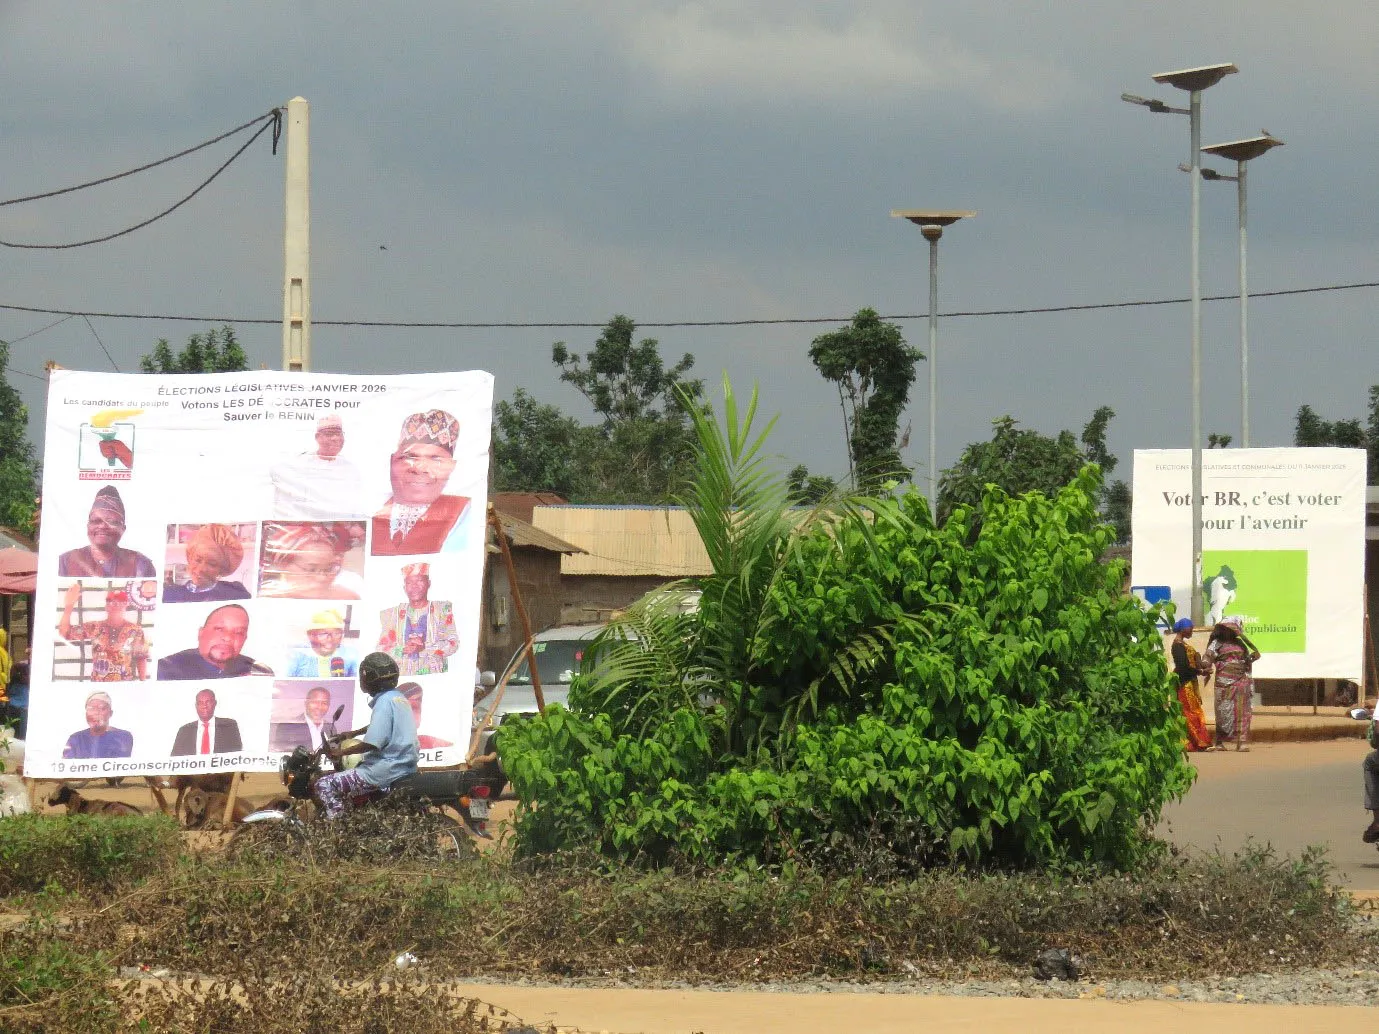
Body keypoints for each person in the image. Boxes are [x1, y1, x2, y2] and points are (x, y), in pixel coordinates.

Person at [312, 652, 419, 819]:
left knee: (324, 784)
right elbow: (383, 726)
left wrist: (340, 753)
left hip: (384, 769)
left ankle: (338, 830)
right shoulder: (398, 698)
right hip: (404, 766)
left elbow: (373, 743)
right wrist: (352, 734)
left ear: (370, 679)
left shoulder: (384, 702)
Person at [371, 410, 471, 556]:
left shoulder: (465, 512)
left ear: (451, 466)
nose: (419, 468)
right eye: (409, 457)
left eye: (435, 459)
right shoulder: (368, 509)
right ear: (392, 461)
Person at [269, 416, 366, 520]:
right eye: (329, 434)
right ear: (317, 437)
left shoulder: (350, 469)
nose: (335, 439)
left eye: (339, 434)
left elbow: (354, 506)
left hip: (340, 527)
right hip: (307, 525)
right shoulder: (300, 464)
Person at [377, 563, 457, 676]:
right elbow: (381, 649)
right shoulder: (392, 614)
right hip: (402, 677)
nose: (414, 586)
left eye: (419, 581)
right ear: (404, 588)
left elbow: (453, 644)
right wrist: (403, 649)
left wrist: (424, 648)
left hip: (434, 677)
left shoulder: (441, 610)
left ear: (429, 583)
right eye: (409, 582)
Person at [57, 486, 156, 578]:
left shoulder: (140, 564)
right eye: (96, 521)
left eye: (112, 522)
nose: (103, 526)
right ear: (88, 526)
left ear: (123, 528)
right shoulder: (66, 561)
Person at [58, 583, 149, 682]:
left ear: (126, 605)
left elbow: (142, 657)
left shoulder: (135, 630)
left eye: (120, 601)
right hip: (98, 684)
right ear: (106, 606)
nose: (115, 604)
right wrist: (69, 606)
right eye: (110, 601)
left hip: (125, 686)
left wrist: (143, 683)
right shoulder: (94, 627)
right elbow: (64, 633)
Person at [157, 604, 273, 680]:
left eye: (238, 632)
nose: (228, 638)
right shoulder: (165, 670)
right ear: (201, 633)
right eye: (219, 629)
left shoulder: (258, 672)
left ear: (244, 639)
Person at [258, 522, 362, 600]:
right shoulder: (266, 599)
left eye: (329, 568)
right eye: (311, 569)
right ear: (283, 566)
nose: (322, 578)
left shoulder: (348, 597)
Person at [1204, 615, 1261, 752]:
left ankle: (1241, 742)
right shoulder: (1216, 643)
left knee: (1243, 711)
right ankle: (1219, 741)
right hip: (1223, 682)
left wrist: (1252, 658)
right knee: (1223, 711)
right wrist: (1206, 665)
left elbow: (1246, 660)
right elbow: (1207, 657)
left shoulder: (1241, 644)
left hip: (1241, 681)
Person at [163, 523, 252, 603]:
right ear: (190, 558)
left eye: (212, 564)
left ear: (222, 569)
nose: (201, 569)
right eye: (197, 560)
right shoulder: (168, 594)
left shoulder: (235, 595)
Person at [1169, 618, 1214, 752]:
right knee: (1192, 713)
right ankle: (1200, 742)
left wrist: (1200, 668)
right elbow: (1183, 667)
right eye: (1190, 629)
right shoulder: (1177, 645)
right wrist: (1199, 671)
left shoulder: (1182, 644)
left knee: (1191, 712)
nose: (1192, 631)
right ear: (1183, 629)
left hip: (1189, 683)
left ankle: (1192, 743)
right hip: (1185, 684)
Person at [286, 609, 360, 678]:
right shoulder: (296, 654)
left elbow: (357, 684)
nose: (330, 639)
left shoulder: (351, 654)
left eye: (336, 633)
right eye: (323, 634)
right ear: (310, 635)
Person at [63, 691, 134, 759]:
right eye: (91, 709)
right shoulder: (76, 739)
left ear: (110, 713)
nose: (96, 712)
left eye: (102, 708)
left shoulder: (123, 737)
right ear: (86, 714)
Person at [171, 689, 243, 755]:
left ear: (215, 703)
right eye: (200, 703)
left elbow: (237, 757)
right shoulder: (184, 730)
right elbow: (175, 760)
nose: (204, 706)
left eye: (208, 702)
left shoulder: (229, 726)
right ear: (196, 706)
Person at [270, 685, 339, 752]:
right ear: (306, 703)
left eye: (324, 703)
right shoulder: (287, 727)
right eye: (315, 702)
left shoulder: (331, 728)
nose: (319, 707)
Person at [399, 682, 453, 749]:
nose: (410, 715)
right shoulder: (387, 748)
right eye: (404, 710)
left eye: (415, 708)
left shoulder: (435, 744)